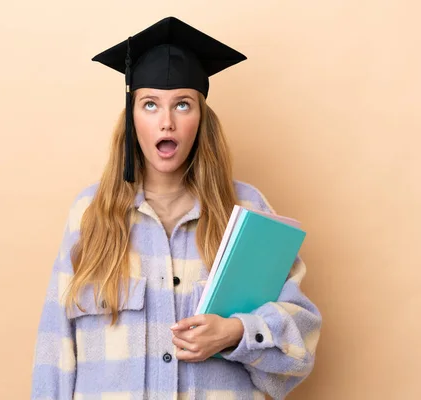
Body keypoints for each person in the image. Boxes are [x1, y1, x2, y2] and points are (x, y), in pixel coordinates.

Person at [30, 16, 321, 400]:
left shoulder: (247, 210)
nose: (166, 122)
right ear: (132, 118)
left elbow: (301, 344)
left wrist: (235, 332)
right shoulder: (90, 212)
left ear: (201, 119)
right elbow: (55, 348)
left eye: (182, 105)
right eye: (149, 105)